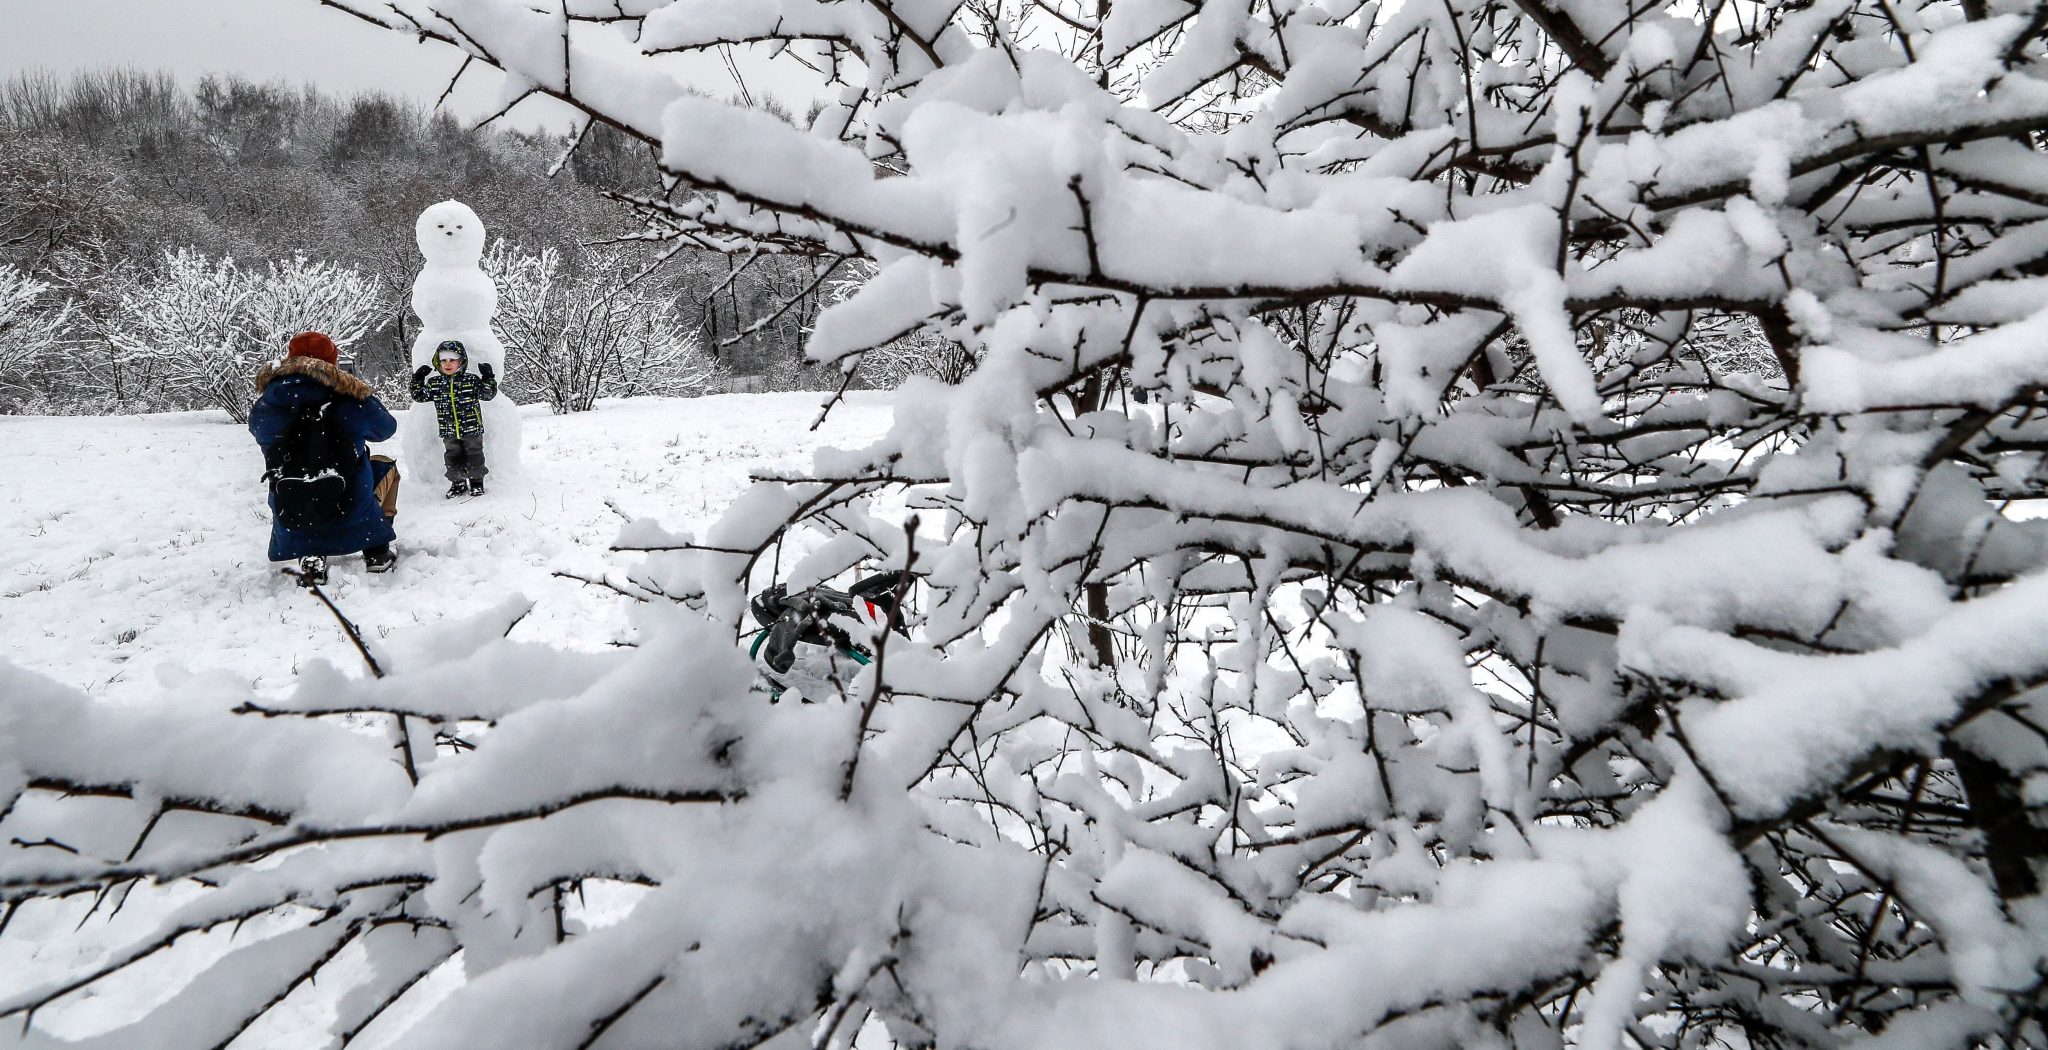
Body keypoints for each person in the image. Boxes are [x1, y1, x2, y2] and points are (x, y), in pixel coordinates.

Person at [249, 332, 399, 583]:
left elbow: (261, 433)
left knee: (303, 481)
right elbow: (386, 428)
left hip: (293, 510)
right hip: (349, 506)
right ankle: (376, 551)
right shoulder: (350, 396)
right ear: (333, 360)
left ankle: (311, 556)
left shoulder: (268, 403)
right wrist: (358, 392)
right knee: (385, 467)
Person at [410, 339, 498, 497]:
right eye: (443, 360)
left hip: (472, 428)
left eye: (452, 360)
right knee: (452, 456)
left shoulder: (470, 380)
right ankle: (458, 483)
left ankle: (477, 482)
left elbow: (487, 394)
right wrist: (418, 378)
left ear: (461, 361)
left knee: (475, 454)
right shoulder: (435, 383)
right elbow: (419, 395)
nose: (447, 364)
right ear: (438, 362)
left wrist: (488, 377)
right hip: (448, 430)